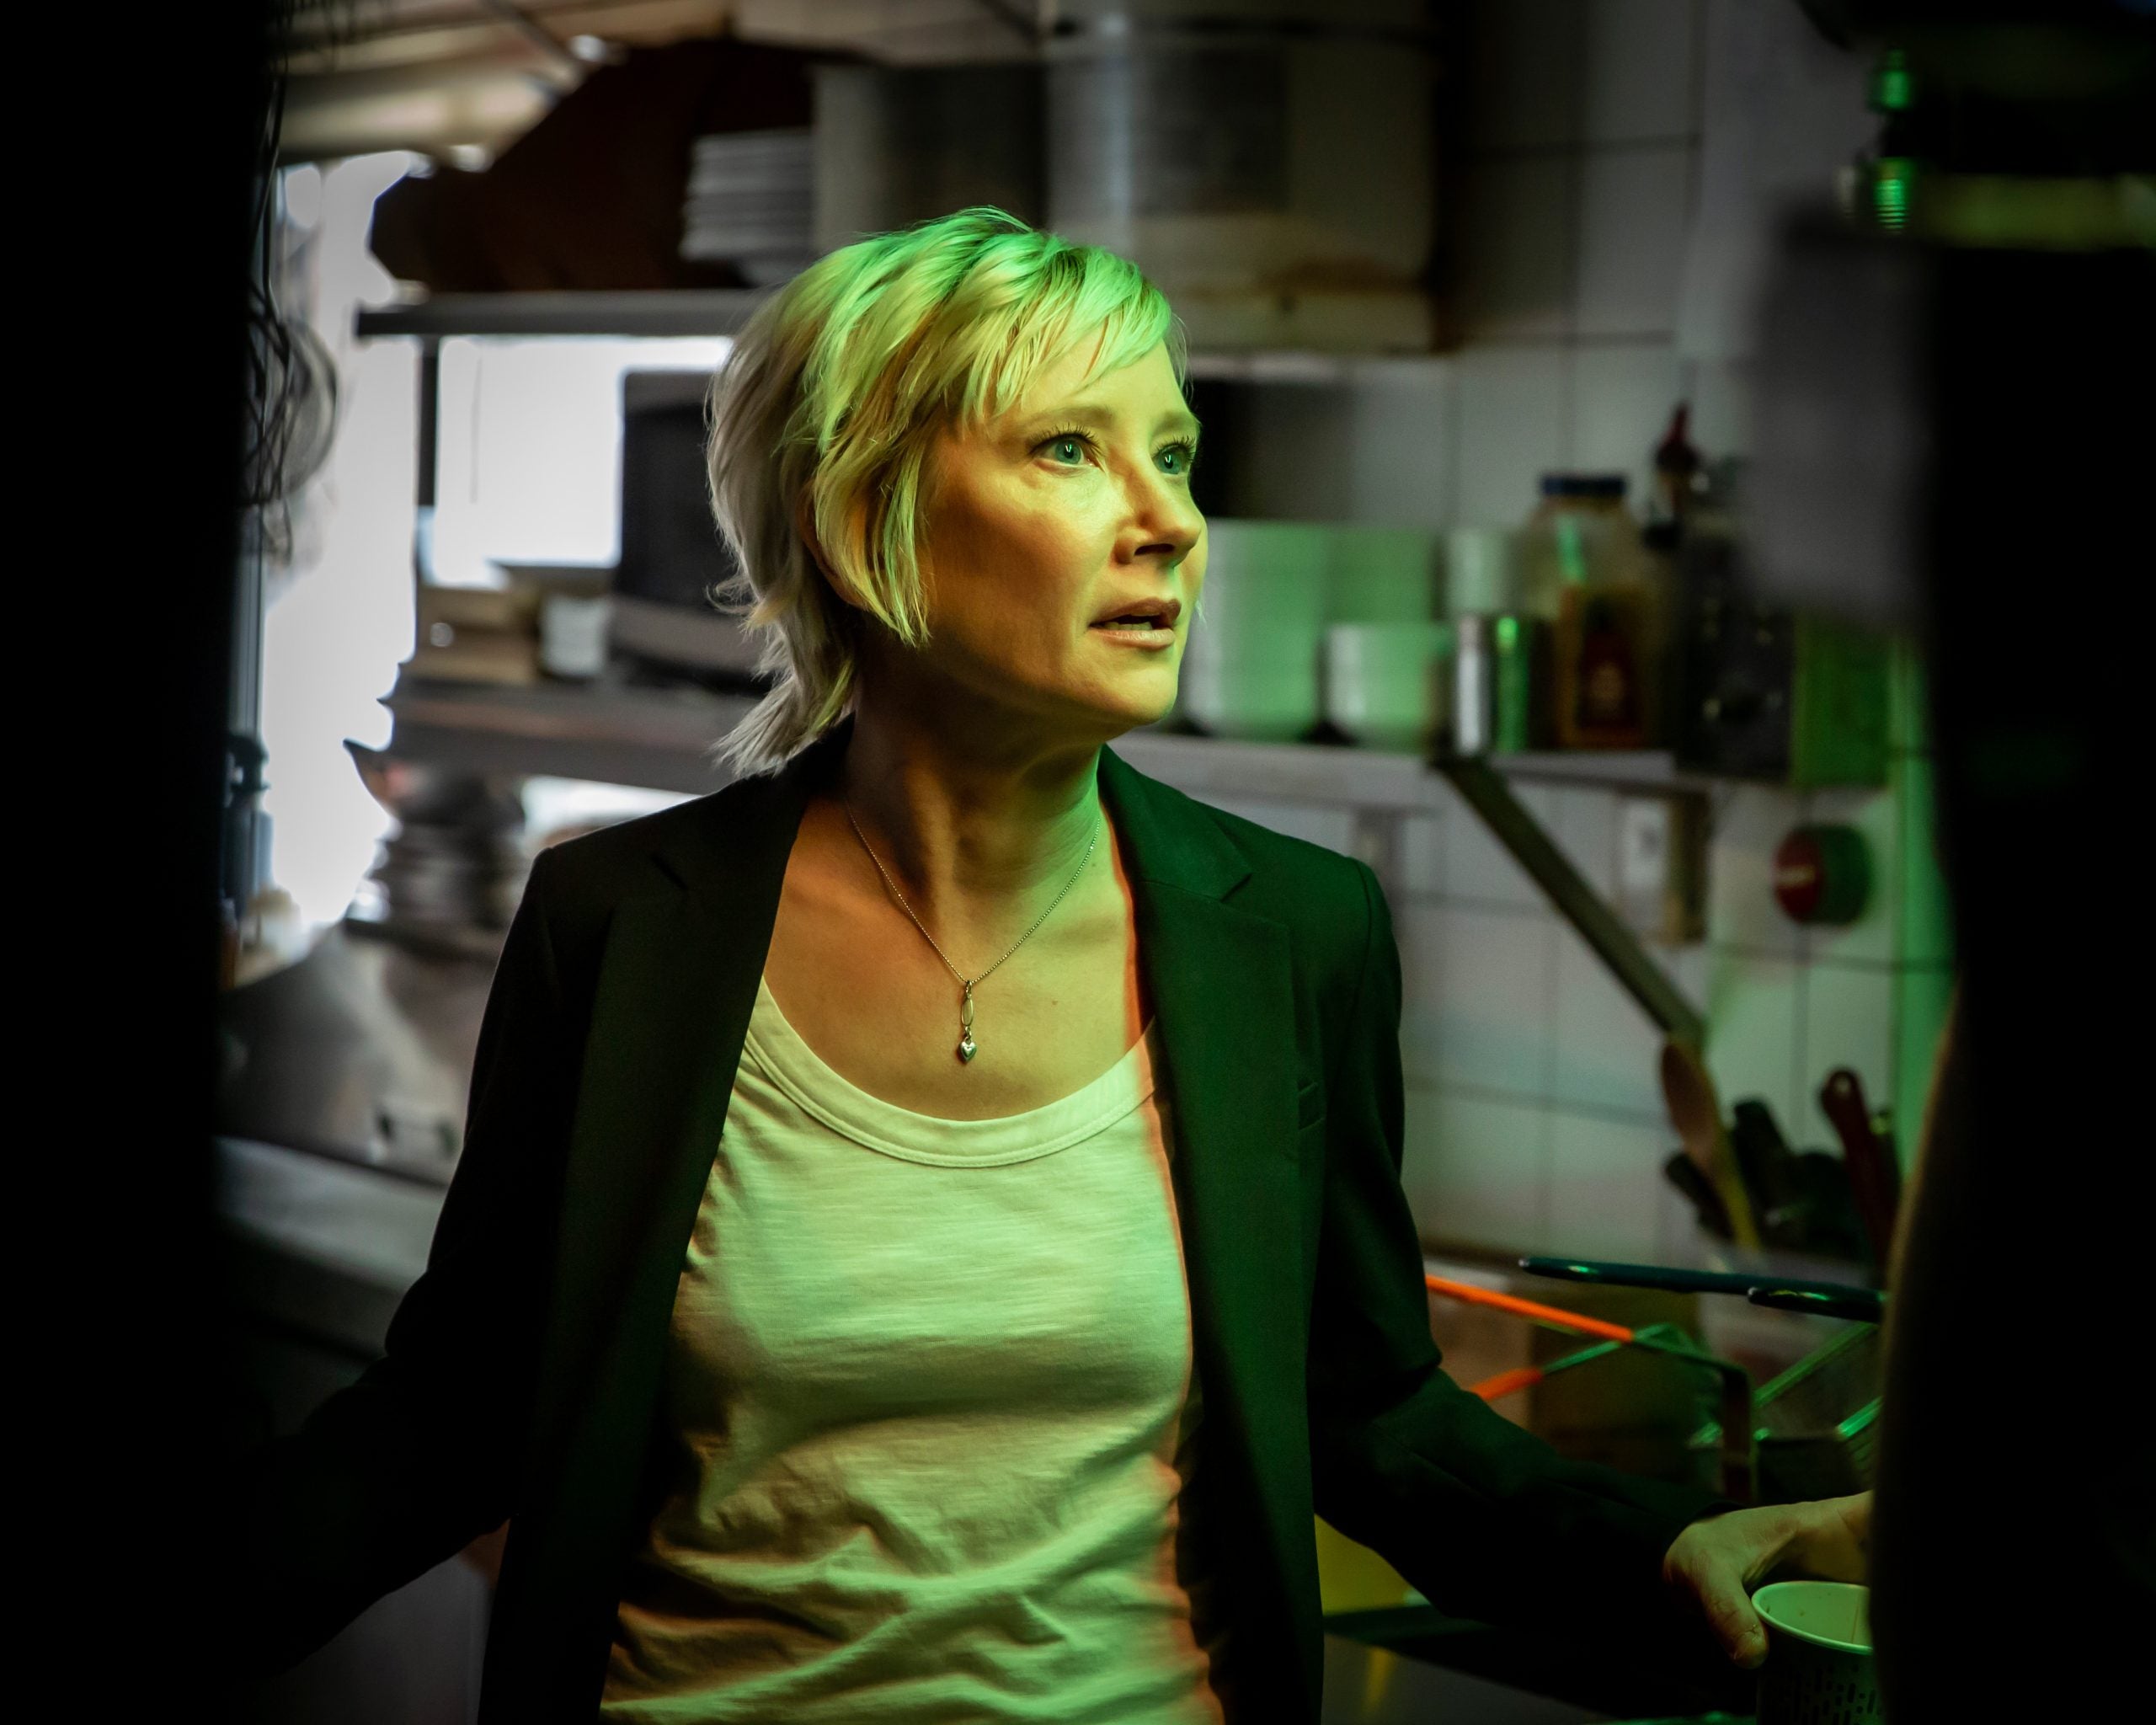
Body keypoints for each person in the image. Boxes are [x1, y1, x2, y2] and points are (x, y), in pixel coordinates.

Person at [227, 207, 1868, 1723]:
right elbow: (456, 1413)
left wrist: (1669, 1547)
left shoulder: (1296, 934)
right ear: (862, 514)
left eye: (1176, 454)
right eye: (1072, 449)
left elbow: (1369, 1414)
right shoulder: (622, 925)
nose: (1171, 523)